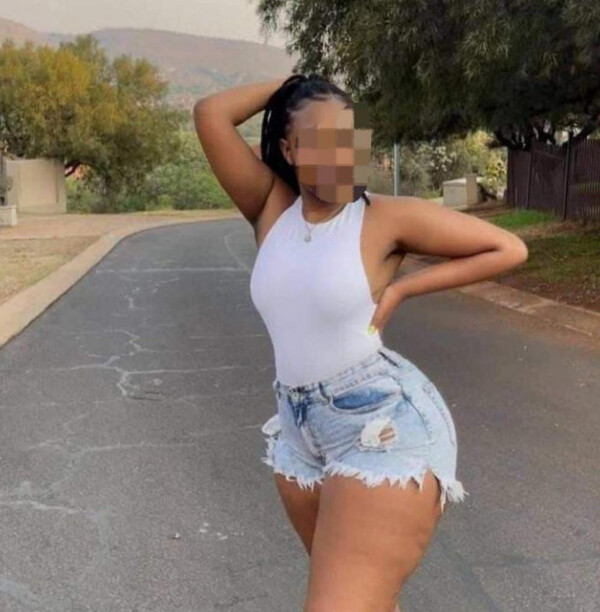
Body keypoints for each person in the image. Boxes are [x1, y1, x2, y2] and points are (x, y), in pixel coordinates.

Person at [193, 74, 528, 611]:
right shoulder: (270, 209)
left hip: (380, 425)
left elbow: (506, 248)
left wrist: (402, 288)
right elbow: (210, 113)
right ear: (289, 150)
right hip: (299, 432)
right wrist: (295, 82)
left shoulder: (382, 217)